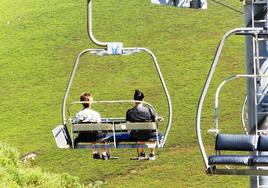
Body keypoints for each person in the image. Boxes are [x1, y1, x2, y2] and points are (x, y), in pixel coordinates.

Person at [73, 92, 110, 160]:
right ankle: (104, 153)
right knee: (103, 135)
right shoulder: (95, 114)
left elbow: (76, 123)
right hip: (94, 136)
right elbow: (99, 125)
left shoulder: (78, 114)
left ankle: (95, 152)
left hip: (83, 137)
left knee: (88, 131)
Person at [126, 89, 158, 160]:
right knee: (157, 135)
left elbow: (128, 124)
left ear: (134, 100)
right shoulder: (149, 110)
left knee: (139, 135)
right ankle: (152, 153)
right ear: (143, 99)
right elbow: (155, 119)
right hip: (149, 134)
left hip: (136, 135)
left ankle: (141, 153)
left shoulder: (130, 112)